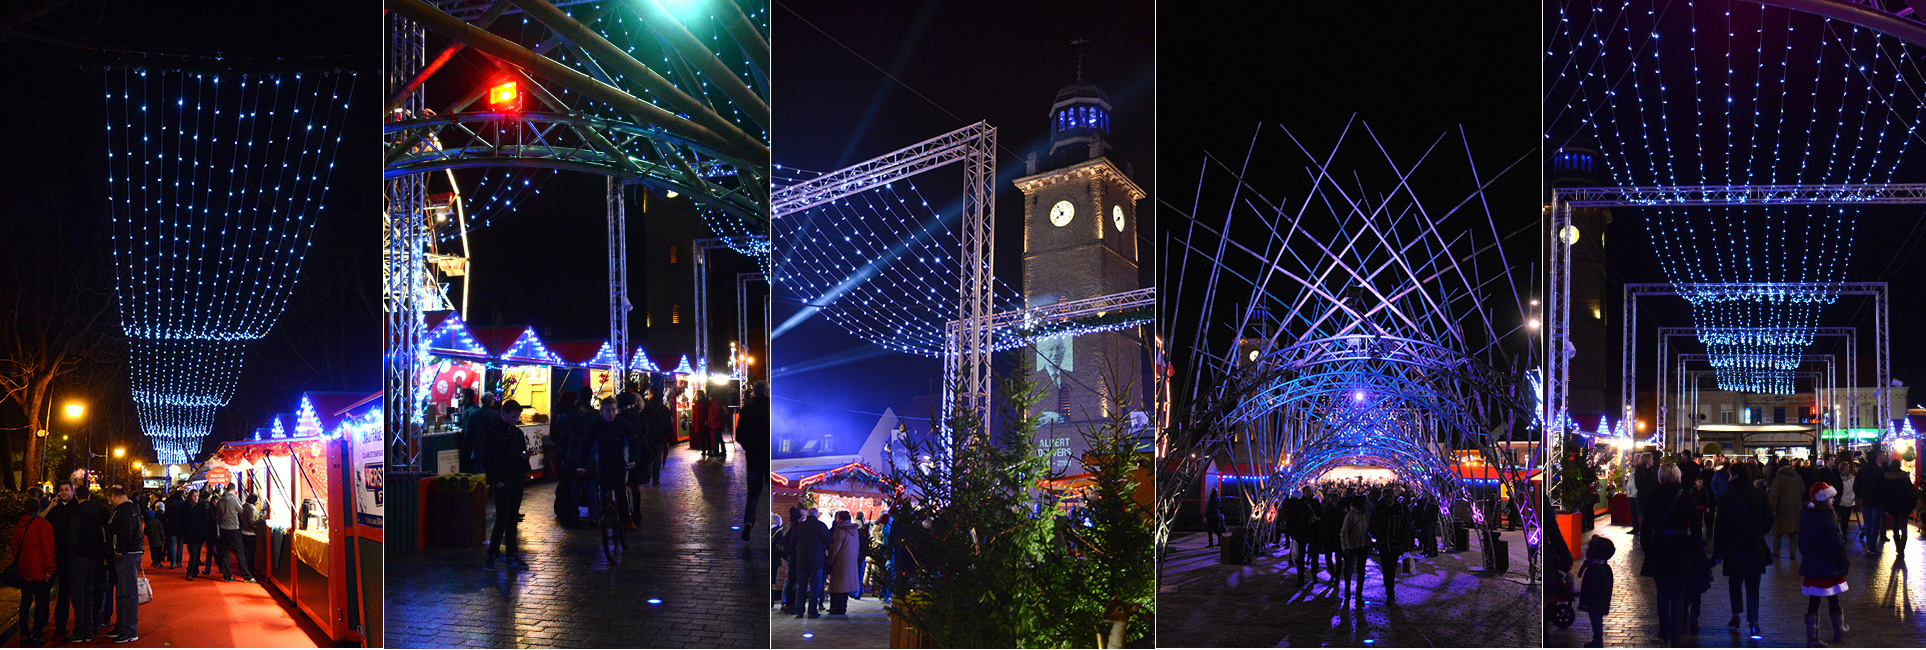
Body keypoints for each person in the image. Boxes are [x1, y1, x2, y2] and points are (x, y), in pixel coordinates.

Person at [1641, 462, 1697, 646]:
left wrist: (1647, 547)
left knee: (1662, 592)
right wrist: (1694, 547)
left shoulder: (1653, 496)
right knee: (1678, 594)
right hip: (1680, 548)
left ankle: (1663, 629)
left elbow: (1645, 525)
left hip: (1659, 548)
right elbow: (1696, 527)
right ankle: (1675, 635)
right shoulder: (1685, 497)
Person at [1712, 462, 1770, 638]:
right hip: (1754, 545)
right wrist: (1759, 531)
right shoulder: (1759, 494)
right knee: (1753, 585)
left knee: (1735, 582)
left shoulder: (1727, 497)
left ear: (1734, 476)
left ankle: (1735, 614)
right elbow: (1769, 520)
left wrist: (1717, 553)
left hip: (1734, 547)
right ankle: (1754, 621)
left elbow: (1719, 527)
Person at [1797, 482, 1849, 646]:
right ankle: (1837, 631)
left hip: (1813, 564)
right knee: (1832, 597)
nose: (1833, 501)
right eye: (1831, 498)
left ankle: (1813, 636)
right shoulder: (1826, 516)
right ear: (1824, 499)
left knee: (1816, 599)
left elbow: (1802, 542)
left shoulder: (1807, 514)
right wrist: (1843, 560)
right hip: (1828, 564)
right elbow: (1835, 543)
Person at [485, 400, 533, 570]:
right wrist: (496, 479)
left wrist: (523, 458)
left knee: (511, 518)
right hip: (504, 480)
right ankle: (493, 555)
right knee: (503, 518)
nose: (515, 419)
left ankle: (510, 555)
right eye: (513, 416)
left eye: (517, 416)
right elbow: (490, 459)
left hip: (515, 478)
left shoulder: (515, 433)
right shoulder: (496, 433)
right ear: (504, 414)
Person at [587, 397, 637, 529]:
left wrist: (633, 460)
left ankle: (627, 520)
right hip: (602, 463)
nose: (611, 413)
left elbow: (633, 441)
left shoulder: (623, 424)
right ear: (601, 411)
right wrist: (584, 463)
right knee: (603, 492)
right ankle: (604, 516)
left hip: (619, 463)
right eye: (608, 410)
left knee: (621, 491)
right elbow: (587, 444)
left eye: (613, 410)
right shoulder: (596, 425)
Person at [16, 495, 58, 646]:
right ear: (39, 508)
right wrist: (51, 568)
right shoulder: (43, 525)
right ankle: (37, 634)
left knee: (25, 602)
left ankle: (24, 634)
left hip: (24, 569)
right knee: (41, 603)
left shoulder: (20, 524)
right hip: (40, 569)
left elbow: (15, 547)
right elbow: (48, 549)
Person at [104, 487, 142, 643]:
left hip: (127, 554)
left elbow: (125, 532)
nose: (109, 502)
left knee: (127, 593)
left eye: (110, 498)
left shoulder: (124, 510)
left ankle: (129, 630)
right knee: (123, 593)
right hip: (129, 554)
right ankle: (123, 626)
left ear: (114, 496)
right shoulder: (129, 508)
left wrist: (118, 549)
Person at [736, 383, 770, 541]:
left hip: (754, 458)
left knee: (753, 495)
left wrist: (750, 447)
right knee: (773, 492)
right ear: (765, 391)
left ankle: (748, 523)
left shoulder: (747, 409)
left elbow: (739, 435)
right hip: (769, 458)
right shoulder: (772, 408)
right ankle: (773, 527)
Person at [616, 391, 652, 525]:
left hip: (623, 452)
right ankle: (637, 513)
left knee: (622, 484)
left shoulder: (620, 418)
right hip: (638, 453)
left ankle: (627, 513)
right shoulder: (641, 415)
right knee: (634, 484)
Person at [789, 506, 830, 618]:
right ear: (816, 515)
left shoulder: (799, 527)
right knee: (815, 587)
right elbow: (828, 541)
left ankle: (799, 610)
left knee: (801, 586)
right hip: (816, 562)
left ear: (807, 515)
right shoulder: (821, 526)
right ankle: (812, 611)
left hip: (801, 560)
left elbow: (792, 544)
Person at [1370, 488, 1410, 600]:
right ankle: (1389, 589)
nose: (1389, 499)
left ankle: (1390, 591)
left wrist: (1405, 543)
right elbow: (1372, 526)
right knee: (1386, 568)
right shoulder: (1378, 509)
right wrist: (1379, 537)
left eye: (1390, 496)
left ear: (1393, 496)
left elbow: (1404, 526)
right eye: (1386, 497)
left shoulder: (1399, 509)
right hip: (1383, 544)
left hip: (1395, 544)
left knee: (1391, 569)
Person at [1576, 535, 1615, 648]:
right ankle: (1597, 640)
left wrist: (1585, 602)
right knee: (1596, 620)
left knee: (1596, 621)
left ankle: (1597, 641)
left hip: (1595, 602)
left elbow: (1590, 588)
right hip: (1601, 601)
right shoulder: (1605, 568)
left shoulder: (1594, 570)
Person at [213, 487, 255, 582]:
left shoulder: (220, 502)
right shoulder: (234, 500)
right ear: (234, 490)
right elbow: (241, 510)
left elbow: (217, 517)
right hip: (233, 529)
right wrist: (237, 498)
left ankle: (227, 575)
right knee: (240, 552)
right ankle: (246, 575)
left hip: (223, 529)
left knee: (225, 553)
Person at [1767, 463, 1807, 561]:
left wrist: (1772, 508)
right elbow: (1803, 489)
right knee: (1794, 532)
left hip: (1781, 508)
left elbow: (1774, 495)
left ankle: (1776, 552)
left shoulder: (1778, 478)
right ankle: (1792, 554)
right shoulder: (1796, 477)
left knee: (1777, 531)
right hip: (1795, 507)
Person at [826, 511, 862, 615]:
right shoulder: (854, 530)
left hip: (840, 561)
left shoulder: (840, 530)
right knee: (845, 586)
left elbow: (835, 547)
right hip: (851, 561)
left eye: (837, 518)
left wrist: (830, 560)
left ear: (840, 519)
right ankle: (842, 607)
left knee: (838, 585)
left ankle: (836, 608)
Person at [1881, 459, 1918, 557]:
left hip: (1893, 506)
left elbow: (1885, 493)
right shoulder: (1904, 476)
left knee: (1895, 526)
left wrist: (1885, 507)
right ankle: (1902, 548)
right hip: (1904, 505)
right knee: (1904, 527)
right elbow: (1912, 491)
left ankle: (1898, 547)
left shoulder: (1888, 477)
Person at [1338, 497, 1370, 607]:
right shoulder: (1351, 515)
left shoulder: (1365, 515)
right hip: (1351, 546)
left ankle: (1358, 594)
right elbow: (1344, 532)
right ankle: (1347, 591)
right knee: (1349, 570)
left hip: (1363, 546)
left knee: (1361, 571)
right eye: (1365, 503)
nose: (1366, 504)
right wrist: (1345, 547)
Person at [1853, 452, 1886, 552]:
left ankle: (1869, 545)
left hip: (1866, 501)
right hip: (1877, 501)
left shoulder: (1862, 472)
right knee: (1875, 525)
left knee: (1868, 524)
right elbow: (1884, 487)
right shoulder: (1880, 472)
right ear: (1876, 458)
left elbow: (1855, 487)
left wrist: (1861, 495)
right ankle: (1872, 547)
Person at [643, 390, 673, 485]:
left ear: (651, 395)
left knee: (647, 457)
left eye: (648, 394)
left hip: (648, 437)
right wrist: (668, 437)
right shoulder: (664, 409)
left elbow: (643, 423)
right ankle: (656, 479)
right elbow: (669, 424)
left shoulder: (646, 408)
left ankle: (647, 477)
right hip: (660, 438)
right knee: (657, 458)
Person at [180, 489, 212, 580]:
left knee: (195, 553)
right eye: (194, 496)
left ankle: (191, 571)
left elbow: (206, 520)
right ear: (190, 497)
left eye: (197, 496)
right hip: (190, 533)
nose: (196, 497)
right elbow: (182, 519)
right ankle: (193, 570)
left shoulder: (202, 506)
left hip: (199, 533)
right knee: (193, 552)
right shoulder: (186, 506)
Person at [239, 494, 263, 578]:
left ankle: (244, 569)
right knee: (251, 553)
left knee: (245, 553)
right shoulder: (251, 508)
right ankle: (250, 570)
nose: (257, 502)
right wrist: (261, 519)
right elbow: (252, 522)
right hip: (250, 533)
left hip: (243, 532)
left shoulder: (244, 506)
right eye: (257, 501)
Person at [1834, 461, 1857, 542]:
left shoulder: (1851, 478)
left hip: (1850, 500)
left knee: (1846, 518)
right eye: (1846, 468)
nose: (1848, 469)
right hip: (1842, 501)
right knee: (1843, 518)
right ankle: (1844, 535)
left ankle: (1844, 532)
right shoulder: (1839, 478)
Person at [141, 493, 166, 569]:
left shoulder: (148, 523)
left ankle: (155, 561)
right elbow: (161, 530)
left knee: (153, 551)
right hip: (159, 540)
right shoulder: (158, 522)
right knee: (159, 550)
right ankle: (158, 561)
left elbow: (145, 532)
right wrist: (163, 538)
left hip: (151, 540)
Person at [162, 489, 184, 569]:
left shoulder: (169, 504)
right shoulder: (183, 504)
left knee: (172, 545)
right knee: (180, 546)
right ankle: (179, 562)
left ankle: (172, 562)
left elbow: (166, 516)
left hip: (171, 526)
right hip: (181, 526)